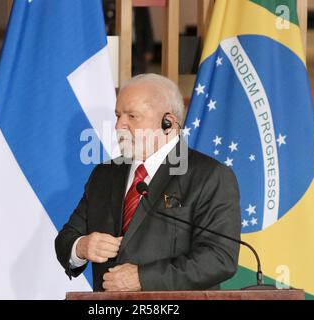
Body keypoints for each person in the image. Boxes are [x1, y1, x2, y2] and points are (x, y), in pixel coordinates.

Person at [55, 74, 241, 292]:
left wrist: (143, 278)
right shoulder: (104, 175)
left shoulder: (210, 176)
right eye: (117, 116)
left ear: (168, 123)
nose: (119, 126)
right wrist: (82, 247)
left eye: (132, 116)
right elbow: (66, 239)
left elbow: (219, 258)